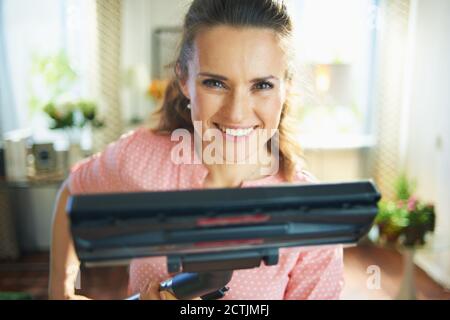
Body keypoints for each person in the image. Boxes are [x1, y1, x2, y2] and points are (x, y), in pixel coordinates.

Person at [49, 0, 344, 300]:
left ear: (286, 86)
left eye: (262, 85)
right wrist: (60, 291)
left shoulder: (312, 220)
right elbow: (73, 191)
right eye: (215, 83)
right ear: (184, 80)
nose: (237, 113)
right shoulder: (142, 157)